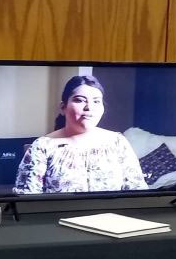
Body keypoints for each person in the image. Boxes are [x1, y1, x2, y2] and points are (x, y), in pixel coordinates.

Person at [13, 75, 148, 194]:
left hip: (112, 218)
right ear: (63, 107)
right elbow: (27, 198)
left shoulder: (117, 142)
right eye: (80, 100)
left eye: (96, 101)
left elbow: (137, 191)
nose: (89, 107)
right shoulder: (43, 146)